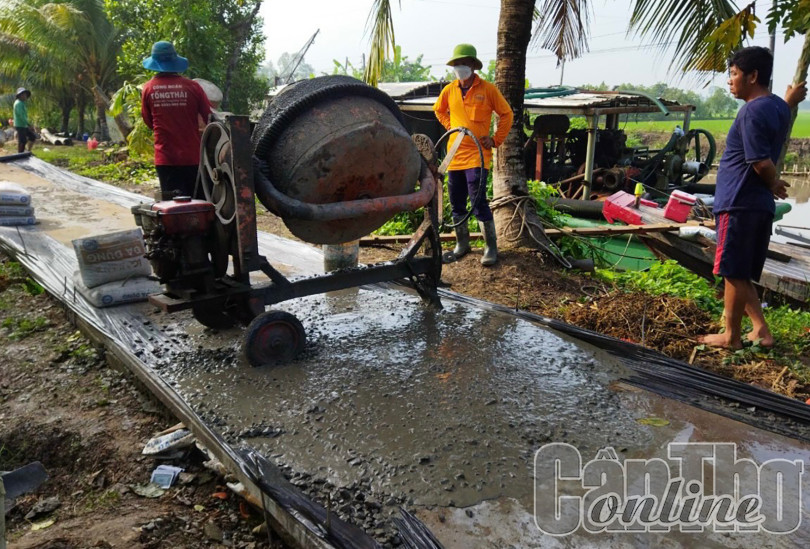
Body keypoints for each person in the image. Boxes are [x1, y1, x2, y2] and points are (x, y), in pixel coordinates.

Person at [699, 46, 807, 349]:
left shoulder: (751, 111)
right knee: (740, 271)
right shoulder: (777, 108)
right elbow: (782, 109)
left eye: (734, 74)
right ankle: (761, 330)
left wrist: (773, 181)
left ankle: (730, 336)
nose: (730, 80)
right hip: (756, 204)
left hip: (739, 201)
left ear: (753, 76)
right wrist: (791, 98)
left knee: (732, 270)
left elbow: (760, 160)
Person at [433, 43, 513, 266]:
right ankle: (462, 244)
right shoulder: (450, 90)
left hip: (477, 156)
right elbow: (438, 110)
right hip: (455, 156)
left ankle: (490, 247)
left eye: (464, 63)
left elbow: (506, 114)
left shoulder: (488, 90)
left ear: (473, 66)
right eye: (457, 64)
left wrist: (495, 139)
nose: (460, 67)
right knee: (456, 201)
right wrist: (451, 127)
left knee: (478, 201)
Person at [141, 41, 212, 200]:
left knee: (172, 207)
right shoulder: (193, 87)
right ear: (175, 61)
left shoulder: (148, 88)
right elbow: (209, 117)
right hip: (192, 157)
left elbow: (148, 121)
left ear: (155, 63)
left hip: (165, 158)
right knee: (197, 204)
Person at [13, 87, 37, 153]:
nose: (25, 96)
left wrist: (28, 124)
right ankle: (20, 154)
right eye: (23, 94)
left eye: (25, 94)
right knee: (22, 141)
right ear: (19, 96)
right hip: (20, 125)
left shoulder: (22, 103)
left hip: (23, 125)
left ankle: (28, 152)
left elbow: (24, 116)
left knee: (32, 137)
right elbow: (21, 116)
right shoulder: (18, 103)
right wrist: (28, 124)